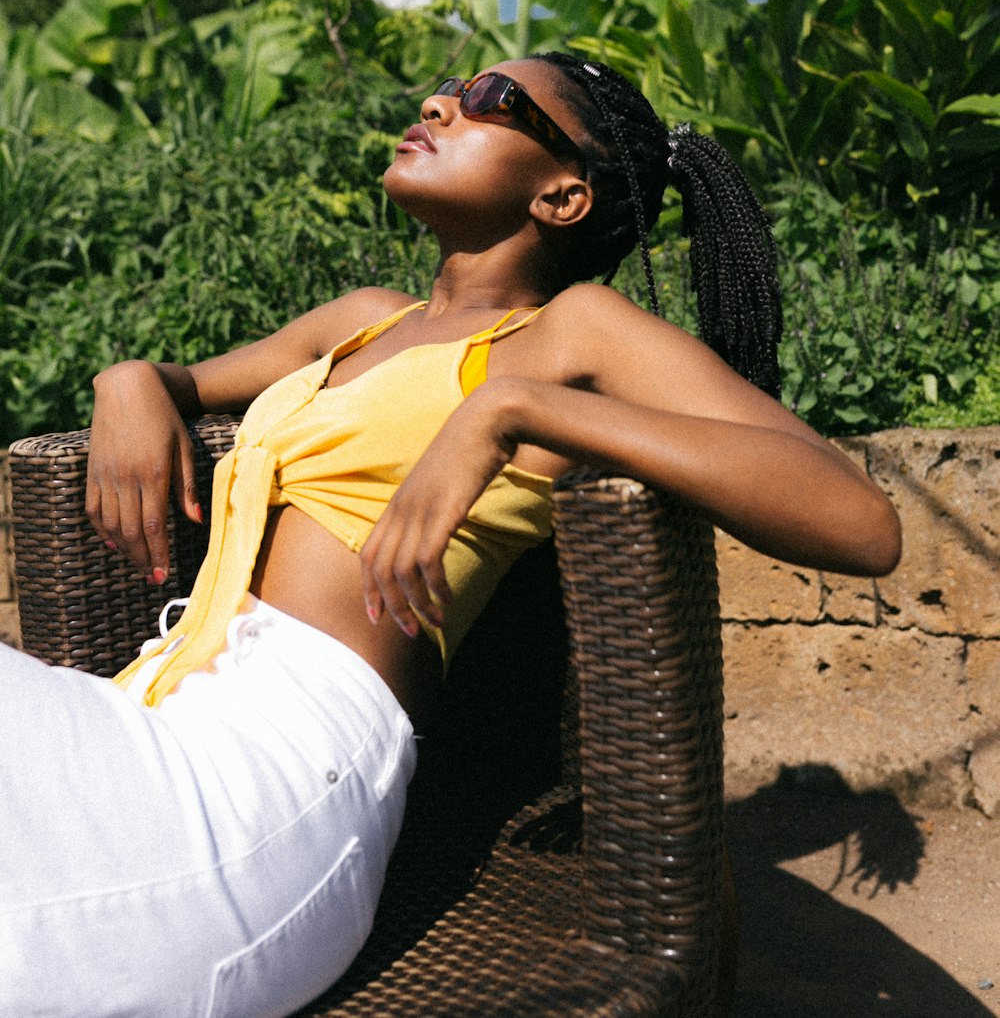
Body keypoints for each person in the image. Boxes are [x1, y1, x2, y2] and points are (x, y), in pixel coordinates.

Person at [0, 53, 901, 1018]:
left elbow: (860, 522)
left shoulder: (569, 334)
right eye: (448, 87)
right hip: (151, 721)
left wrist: (515, 408)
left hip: (271, 788)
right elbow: (183, 379)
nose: (437, 102)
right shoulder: (358, 323)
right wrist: (126, 379)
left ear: (562, 196)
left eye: (490, 103)